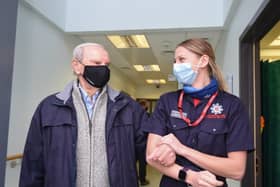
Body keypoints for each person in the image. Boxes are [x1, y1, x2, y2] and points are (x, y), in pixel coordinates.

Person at [19, 43, 148, 187]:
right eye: (97, 63)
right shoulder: (48, 108)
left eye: (107, 64)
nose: (104, 69)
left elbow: (147, 150)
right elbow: (33, 163)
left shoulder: (128, 107)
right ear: (76, 66)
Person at [144, 38, 254, 187]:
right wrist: (189, 177)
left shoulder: (232, 106)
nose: (176, 66)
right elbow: (151, 156)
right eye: (174, 61)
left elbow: (237, 170)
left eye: (181, 59)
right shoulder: (167, 102)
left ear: (203, 61)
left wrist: (181, 150)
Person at [136, 100, 150, 186]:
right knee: (142, 163)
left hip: (132, 143)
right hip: (141, 143)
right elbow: (144, 129)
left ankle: (133, 178)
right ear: (144, 106)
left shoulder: (132, 114)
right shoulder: (144, 115)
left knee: (132, 162)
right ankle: (142, 180)